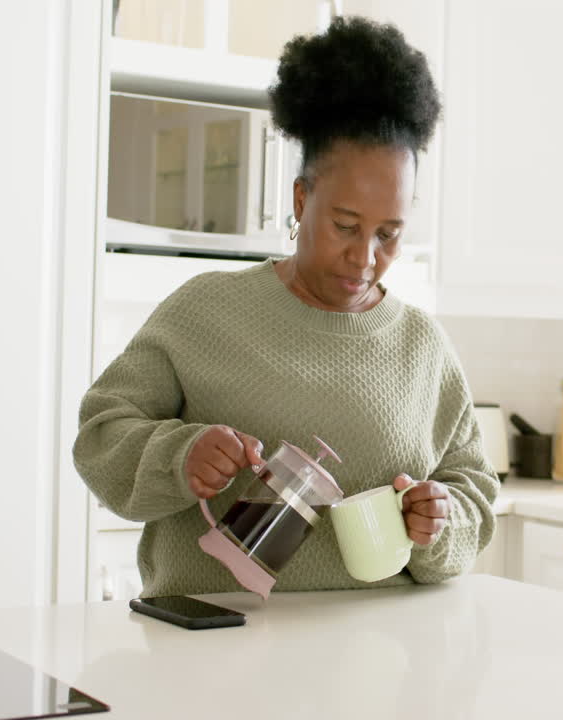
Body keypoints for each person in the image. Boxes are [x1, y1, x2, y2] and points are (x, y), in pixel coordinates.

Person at [73, 16, 498, 597]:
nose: (364, 257)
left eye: (389, 233)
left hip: (375, 664)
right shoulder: (203, 312)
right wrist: (180, 455)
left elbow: (472, 489)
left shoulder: (422, 348)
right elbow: (101, 437)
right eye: (345, 225)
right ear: (302, 199)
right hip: (210, 651)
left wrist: (439, 523)